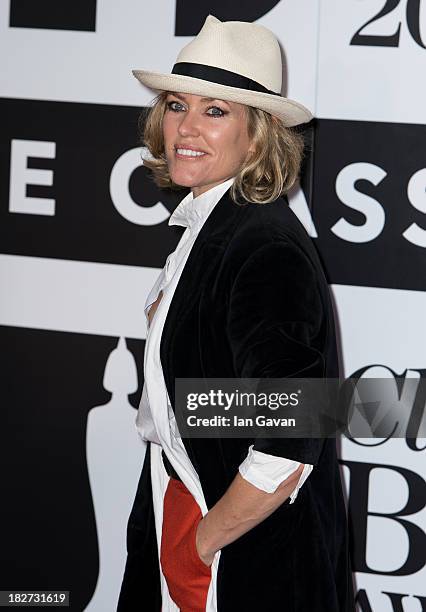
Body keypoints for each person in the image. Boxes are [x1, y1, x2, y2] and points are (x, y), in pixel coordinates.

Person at [117, 14, 355, 612]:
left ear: (258, 136)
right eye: (176, 105)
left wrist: (196, 548)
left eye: (215, 111)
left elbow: (294, 436)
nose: (185, 128)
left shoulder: (264, 247)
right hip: (184, 516)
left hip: (242, 562)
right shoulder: (214, 226)